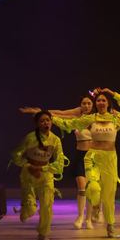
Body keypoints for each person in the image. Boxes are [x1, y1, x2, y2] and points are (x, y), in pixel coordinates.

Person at [51, 91, 120, 238]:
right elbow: (69, 123)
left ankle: (110, 224)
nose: (101, 103)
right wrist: (51, 118)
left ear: (108, 103)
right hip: (92, 157)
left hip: (110, 158)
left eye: (104, 100)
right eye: (98, 100)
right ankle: (96, 206)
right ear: (95, 104)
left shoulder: (115, 119)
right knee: (93, 187)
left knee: (109, 194)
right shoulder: (91, 118)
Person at [21, 94, 97, 229]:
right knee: (82, 187)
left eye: (89, 103)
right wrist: (41, 112)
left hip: (94, 157)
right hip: (80, 156)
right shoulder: (75, 118)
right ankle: (80, 217)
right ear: (80, 105)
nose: (86, 106)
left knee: (91, 188)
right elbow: (59, 114)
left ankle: (89, 218)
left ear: (93, 105)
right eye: (83, 103)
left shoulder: (98, 119)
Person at [11, 110, 65, 240]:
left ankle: (43, 234)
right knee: (31, 209)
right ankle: (26, 209)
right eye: (42, 121)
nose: (46, 123)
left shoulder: (55, 140)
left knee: (47, 206)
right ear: (37, 124)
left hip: (46, 176)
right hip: (29, 175)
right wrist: (26, 164)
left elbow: (60, 164)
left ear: (51, 122)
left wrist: (43, 168)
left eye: (48, 120)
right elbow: (16, 154)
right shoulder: (30, 138)